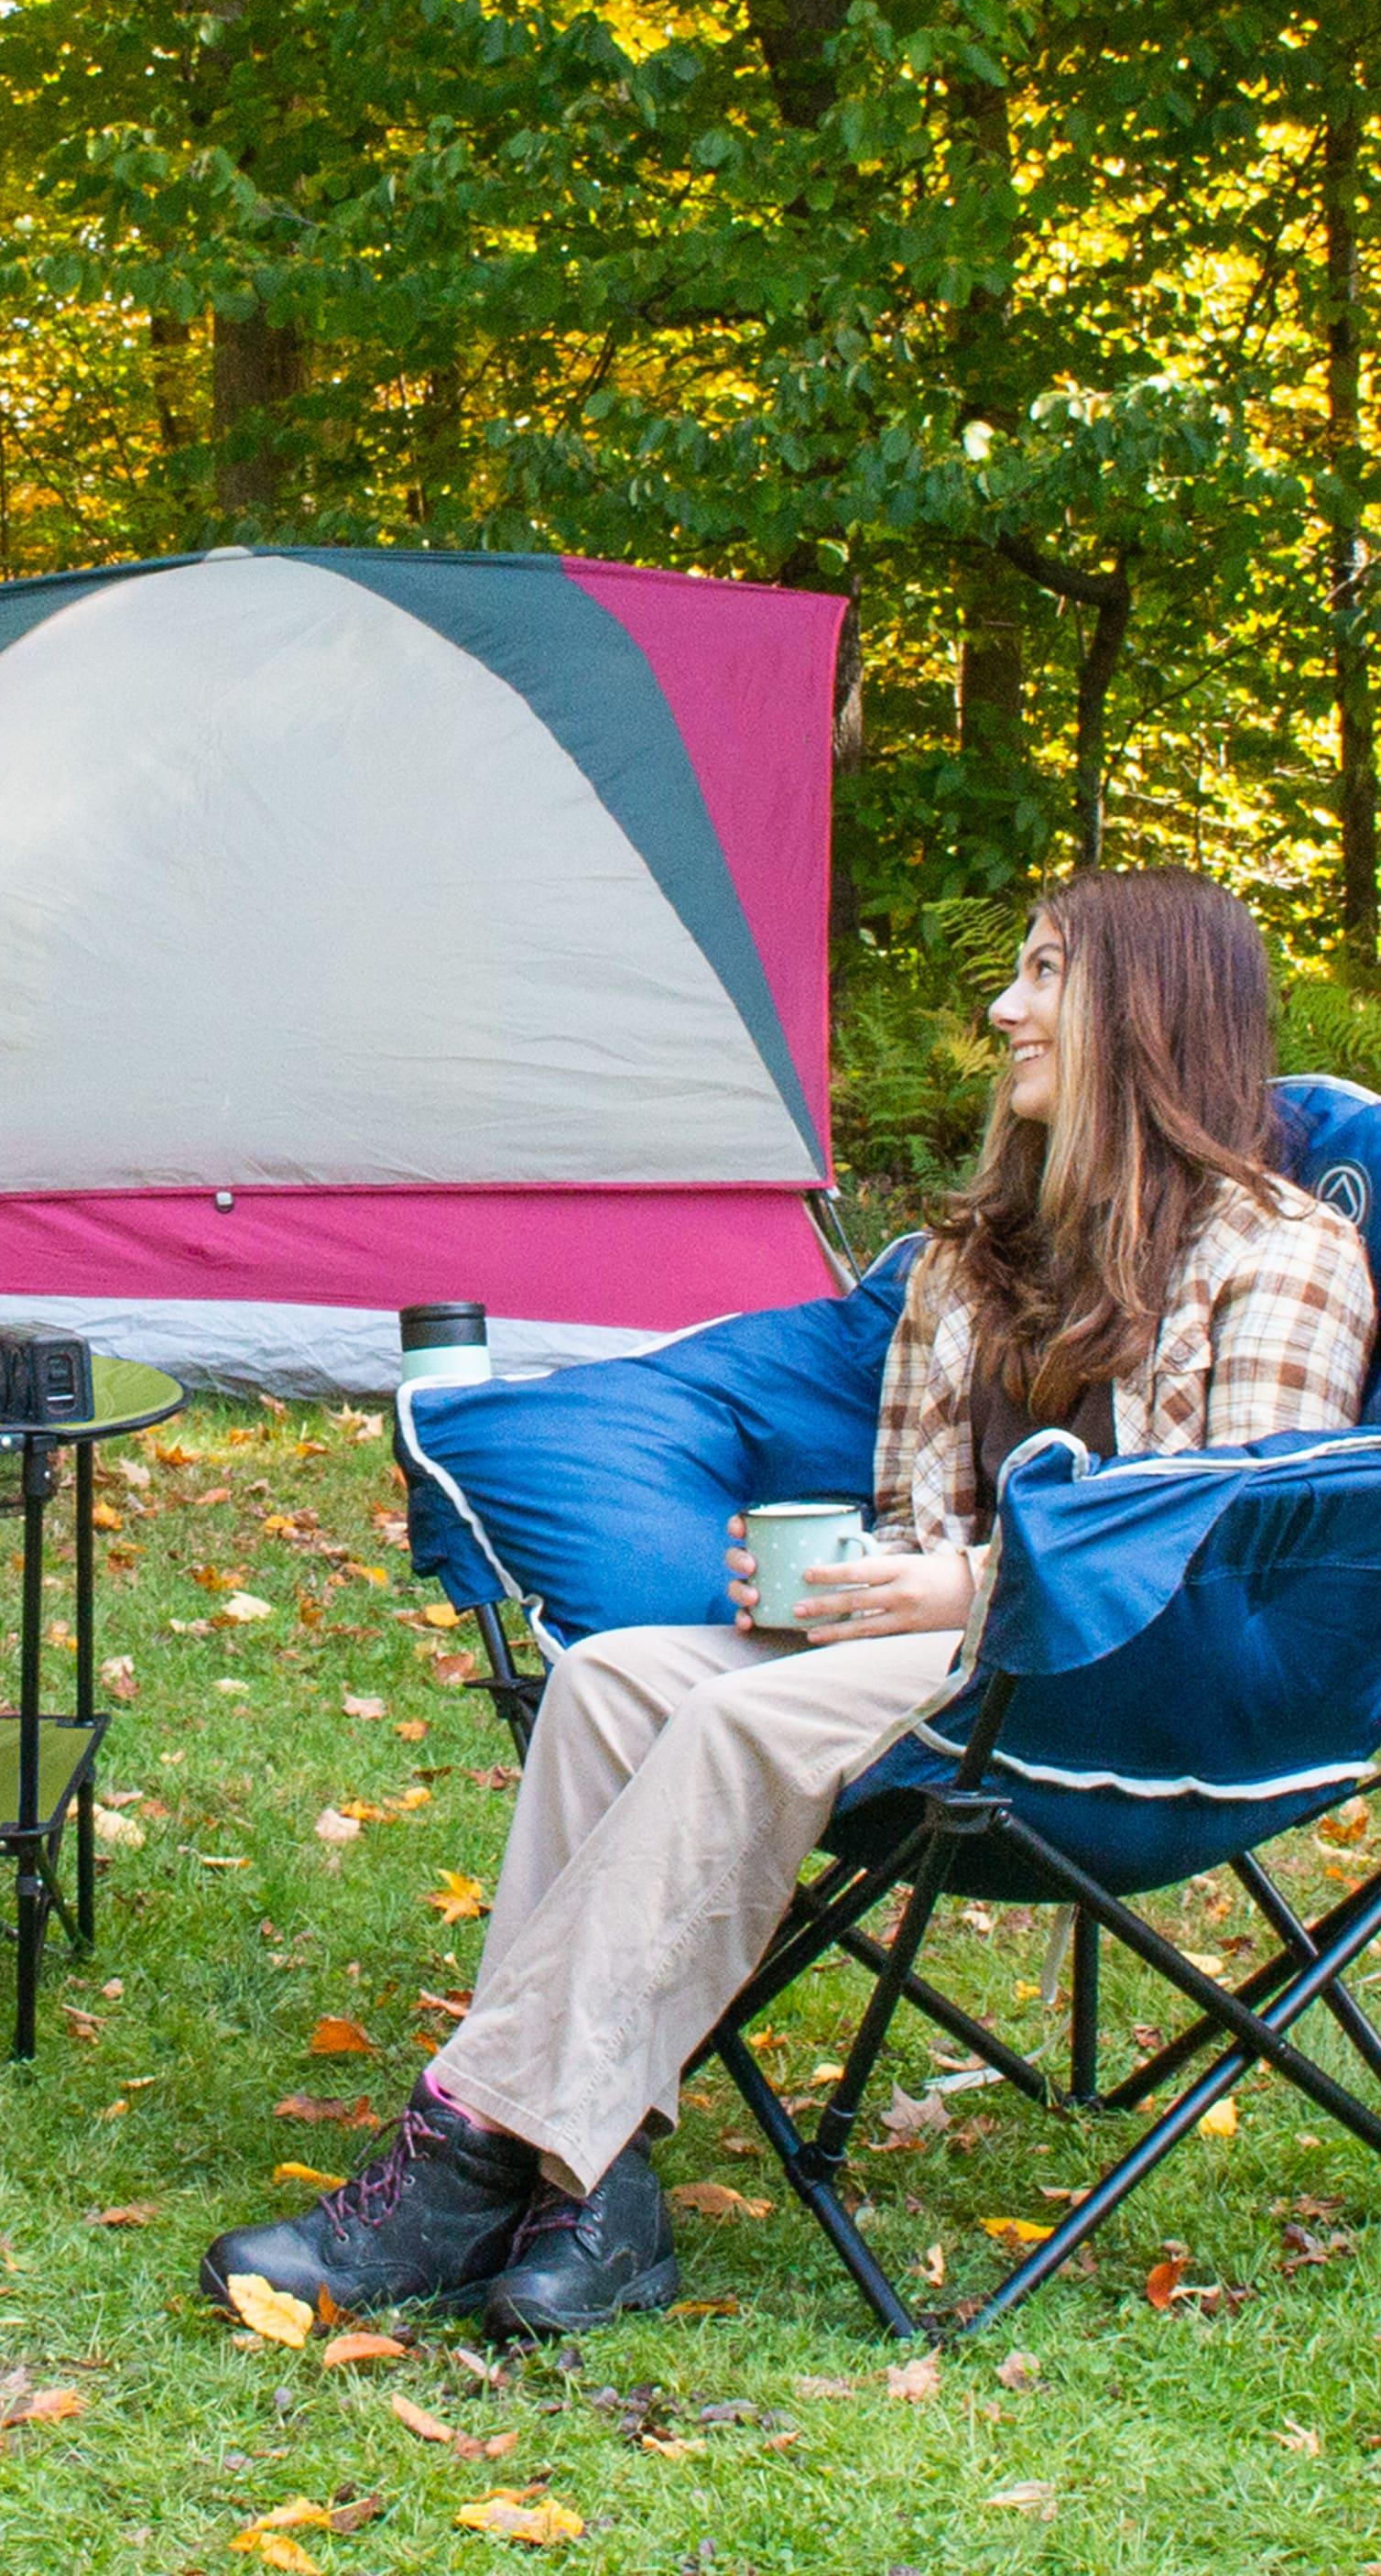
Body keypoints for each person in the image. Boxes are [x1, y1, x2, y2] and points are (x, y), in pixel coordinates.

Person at [202, 868, 1377, 2339]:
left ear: (1145, 1012)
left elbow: (1239, 1540)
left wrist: (963, 1587)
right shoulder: (973, 1263)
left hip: (1137, 1686)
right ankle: (596, 2192)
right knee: (615, 1681)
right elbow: (918, 1516)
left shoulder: (1291, 1255)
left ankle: (458, 2157)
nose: (1005, 1006)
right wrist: (845, 1586)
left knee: (743, 1720)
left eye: (1043, 974)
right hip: (955, 1661)